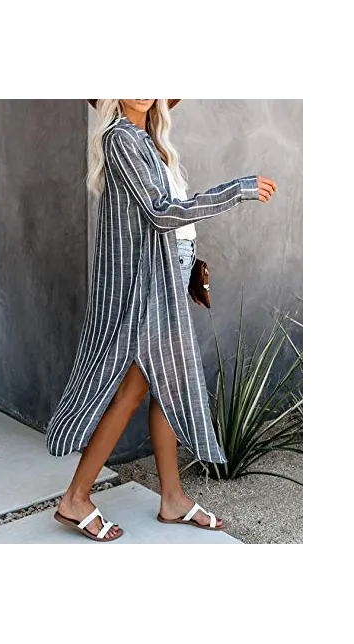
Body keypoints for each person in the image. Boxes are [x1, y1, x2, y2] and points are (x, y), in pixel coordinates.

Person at [46, 97, 277, 541]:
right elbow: (160, 213)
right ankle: (75, 498)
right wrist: (236, 190)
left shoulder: (150, 140)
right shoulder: (121, 138)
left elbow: (170, 221)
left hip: (168, 271)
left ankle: (172, 498)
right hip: (148, 282)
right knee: (133, 389)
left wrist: (186, 268)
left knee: (165, 385)